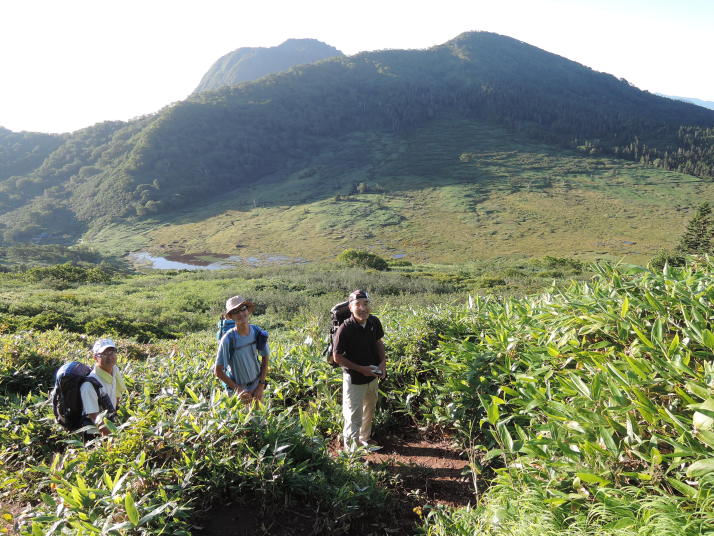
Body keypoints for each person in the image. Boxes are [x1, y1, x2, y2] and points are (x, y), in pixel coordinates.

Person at [333, 289, 386, 451]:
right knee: (353, 416)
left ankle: (365, 439)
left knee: (369, 411)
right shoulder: (345, 328)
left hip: (372, 376)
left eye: (365, 304)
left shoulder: (374, 322)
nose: (362, 308)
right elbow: (337, 356)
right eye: (358, 304)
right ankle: (352, 451)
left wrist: (383, 363)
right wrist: (360, 369)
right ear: (350, 307)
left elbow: (379, 342)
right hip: (354, 379)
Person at [214, 295, 270, 404]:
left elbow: (265, 358)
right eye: (235, 311)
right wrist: (238, 390)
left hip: (257, 385)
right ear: (231, 316)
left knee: (261, 420)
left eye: (242, 309)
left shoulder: (257, 332)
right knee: (242, 421)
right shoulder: (228, 339)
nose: (240, 314)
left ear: (247, 310)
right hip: (238, 391)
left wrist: (261, 386)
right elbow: (218, 371)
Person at [80, 338, 127, 437]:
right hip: (94, 434)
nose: (110, 357)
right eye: (104, 354)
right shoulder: (89, 385)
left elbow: (117, 394)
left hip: (110, 424)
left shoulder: (114, 370)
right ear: (95, 357)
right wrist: (113, 438)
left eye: (112, 352)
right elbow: (95, 418)